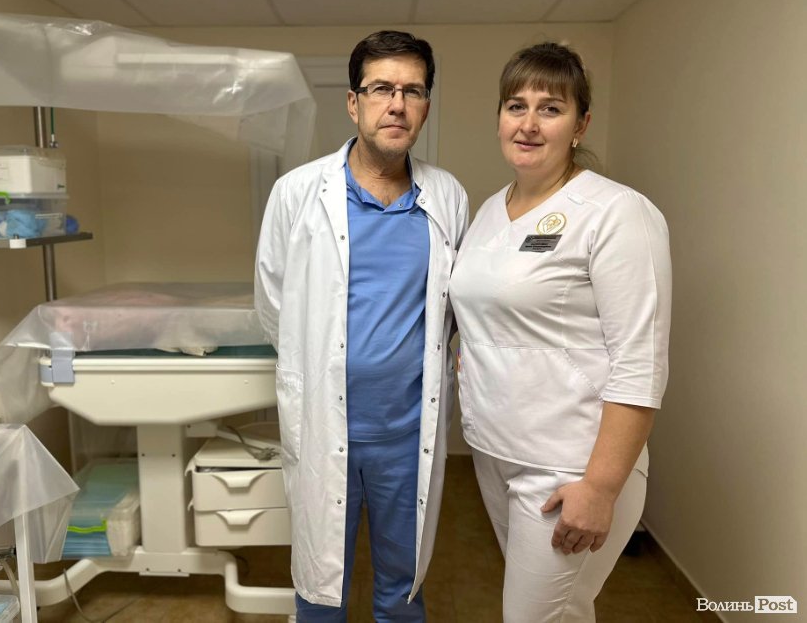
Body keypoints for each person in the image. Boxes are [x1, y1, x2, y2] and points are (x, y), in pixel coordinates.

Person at [449, 42, 672, 622]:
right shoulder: (489, 210)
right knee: (564, 612)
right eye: (515, 106)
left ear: (581, 124)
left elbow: (641, 363)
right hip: (496, 452)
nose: (528, 123)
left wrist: (600, 488)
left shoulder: (616, 213)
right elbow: (487, 312)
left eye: (550, 108)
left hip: (570, 464)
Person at [255, 30, 468, 622]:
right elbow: (273, 305)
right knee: (321, 585)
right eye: (381, 89)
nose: (396, 104)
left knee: (402, 587)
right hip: (326, 425)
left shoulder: (446, 196)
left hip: (407, 432)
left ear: (425, 106)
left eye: (412, 91)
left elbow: (454, 310)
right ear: (354, 103)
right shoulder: (297, 193)